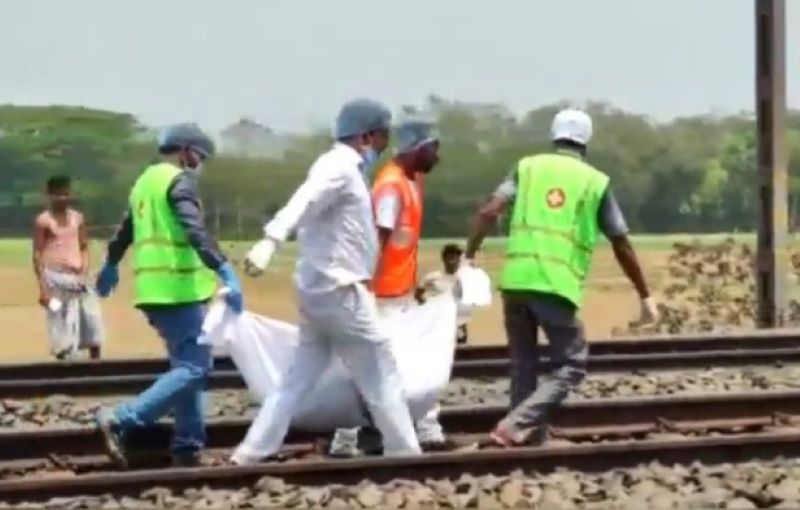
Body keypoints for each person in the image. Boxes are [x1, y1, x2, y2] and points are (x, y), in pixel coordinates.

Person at [237, 98, 422, 465]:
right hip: (339, 288)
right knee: (380, 369)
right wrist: (271, 240)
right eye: (383, 137)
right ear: (366, 136)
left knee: (295, 382)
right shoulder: (339, 168)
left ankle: (251, 452)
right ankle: (405, 453)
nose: (385, 146)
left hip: (320, 289)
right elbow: (303, 201)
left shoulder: (343, 168)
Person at [463, 108, 658, 447]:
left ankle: (525, 439)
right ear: (587, 141)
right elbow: (621, 242)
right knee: (572, 365)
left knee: (523, 366)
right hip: (555, 284)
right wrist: (645, 295)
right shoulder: (595, 181)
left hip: (516, 280)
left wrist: (469, 254)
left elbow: (490, 209)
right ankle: (514, 426)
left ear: (554, 135)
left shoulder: (527, 167)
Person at [93, 124, 244, 468]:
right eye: (200, 156)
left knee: (185, 367)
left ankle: (187, 446)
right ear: (186, 150)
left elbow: (125, 230)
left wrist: (112, 263)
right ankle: (122, 418)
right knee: (195, 367)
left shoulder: (144, 182)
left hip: (152, 291)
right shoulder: (178, 181)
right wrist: (223, 268)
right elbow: (194, 230)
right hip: (178, 290)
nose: (200, 164)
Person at [327, 119, 449, 456]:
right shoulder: (391, 186)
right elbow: (376, 240)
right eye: (433, 148)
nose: (437, 156)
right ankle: (348, 437)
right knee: (370, 365)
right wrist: (364, 289)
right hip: (381, 297)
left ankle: (424, 428)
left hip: (399, 292)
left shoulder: (412, 181)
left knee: (407, 363)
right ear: (417, 148)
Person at [33, 175, 104, 360]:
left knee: (92, 321)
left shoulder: (77, 218)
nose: (62, 198)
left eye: (65, 194)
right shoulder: (43, 221)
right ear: (49, 196)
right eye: (57, 195)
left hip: (78, 280)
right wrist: (43, 290)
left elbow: (84, 246)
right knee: (60, 322)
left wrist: (84, 269)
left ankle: (97, 368)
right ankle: (65, 366)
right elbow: (37, 254)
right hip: (54, 280)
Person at [418, 243, 470, 344]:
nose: (454, 261)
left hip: (457, 326)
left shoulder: (464, 279)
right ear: (444, 259)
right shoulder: (433, 277)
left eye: (456, 257)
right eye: (451, 257)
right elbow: (418, 294)